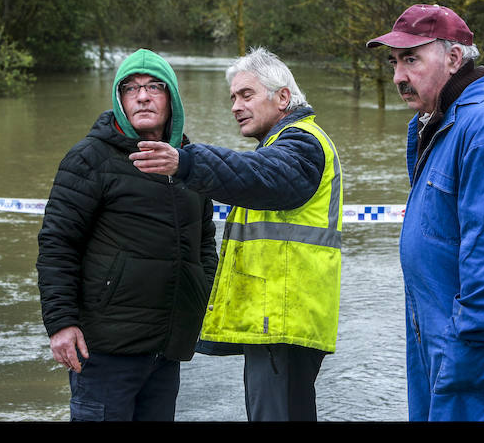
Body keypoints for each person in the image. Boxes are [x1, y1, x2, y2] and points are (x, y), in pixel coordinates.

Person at [366, 4, 484, 421]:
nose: (398, 75)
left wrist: (461, 348)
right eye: (394, 61)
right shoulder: (441, 121)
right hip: (445, 339)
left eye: (411, 59)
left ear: (454, 59)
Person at [130, 47, 342, 421]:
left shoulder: (302, 145)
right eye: (233, 97)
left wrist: (187, 162)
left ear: (283, 98)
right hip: (278, 319)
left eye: (247, 95)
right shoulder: (279, 145)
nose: (235, 106)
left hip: (285, 319)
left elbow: (254, 175)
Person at [36, 48, 218, 421]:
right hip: (105, 351)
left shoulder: (189, 163)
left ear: (172, 99)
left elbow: (204, 245)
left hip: (166, 351)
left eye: (155, 87)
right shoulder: (89, 159)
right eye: (131, 88)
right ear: (119, 99)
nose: (143, 95)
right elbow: (57, 244)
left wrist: (198, 297)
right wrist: (61, 323)